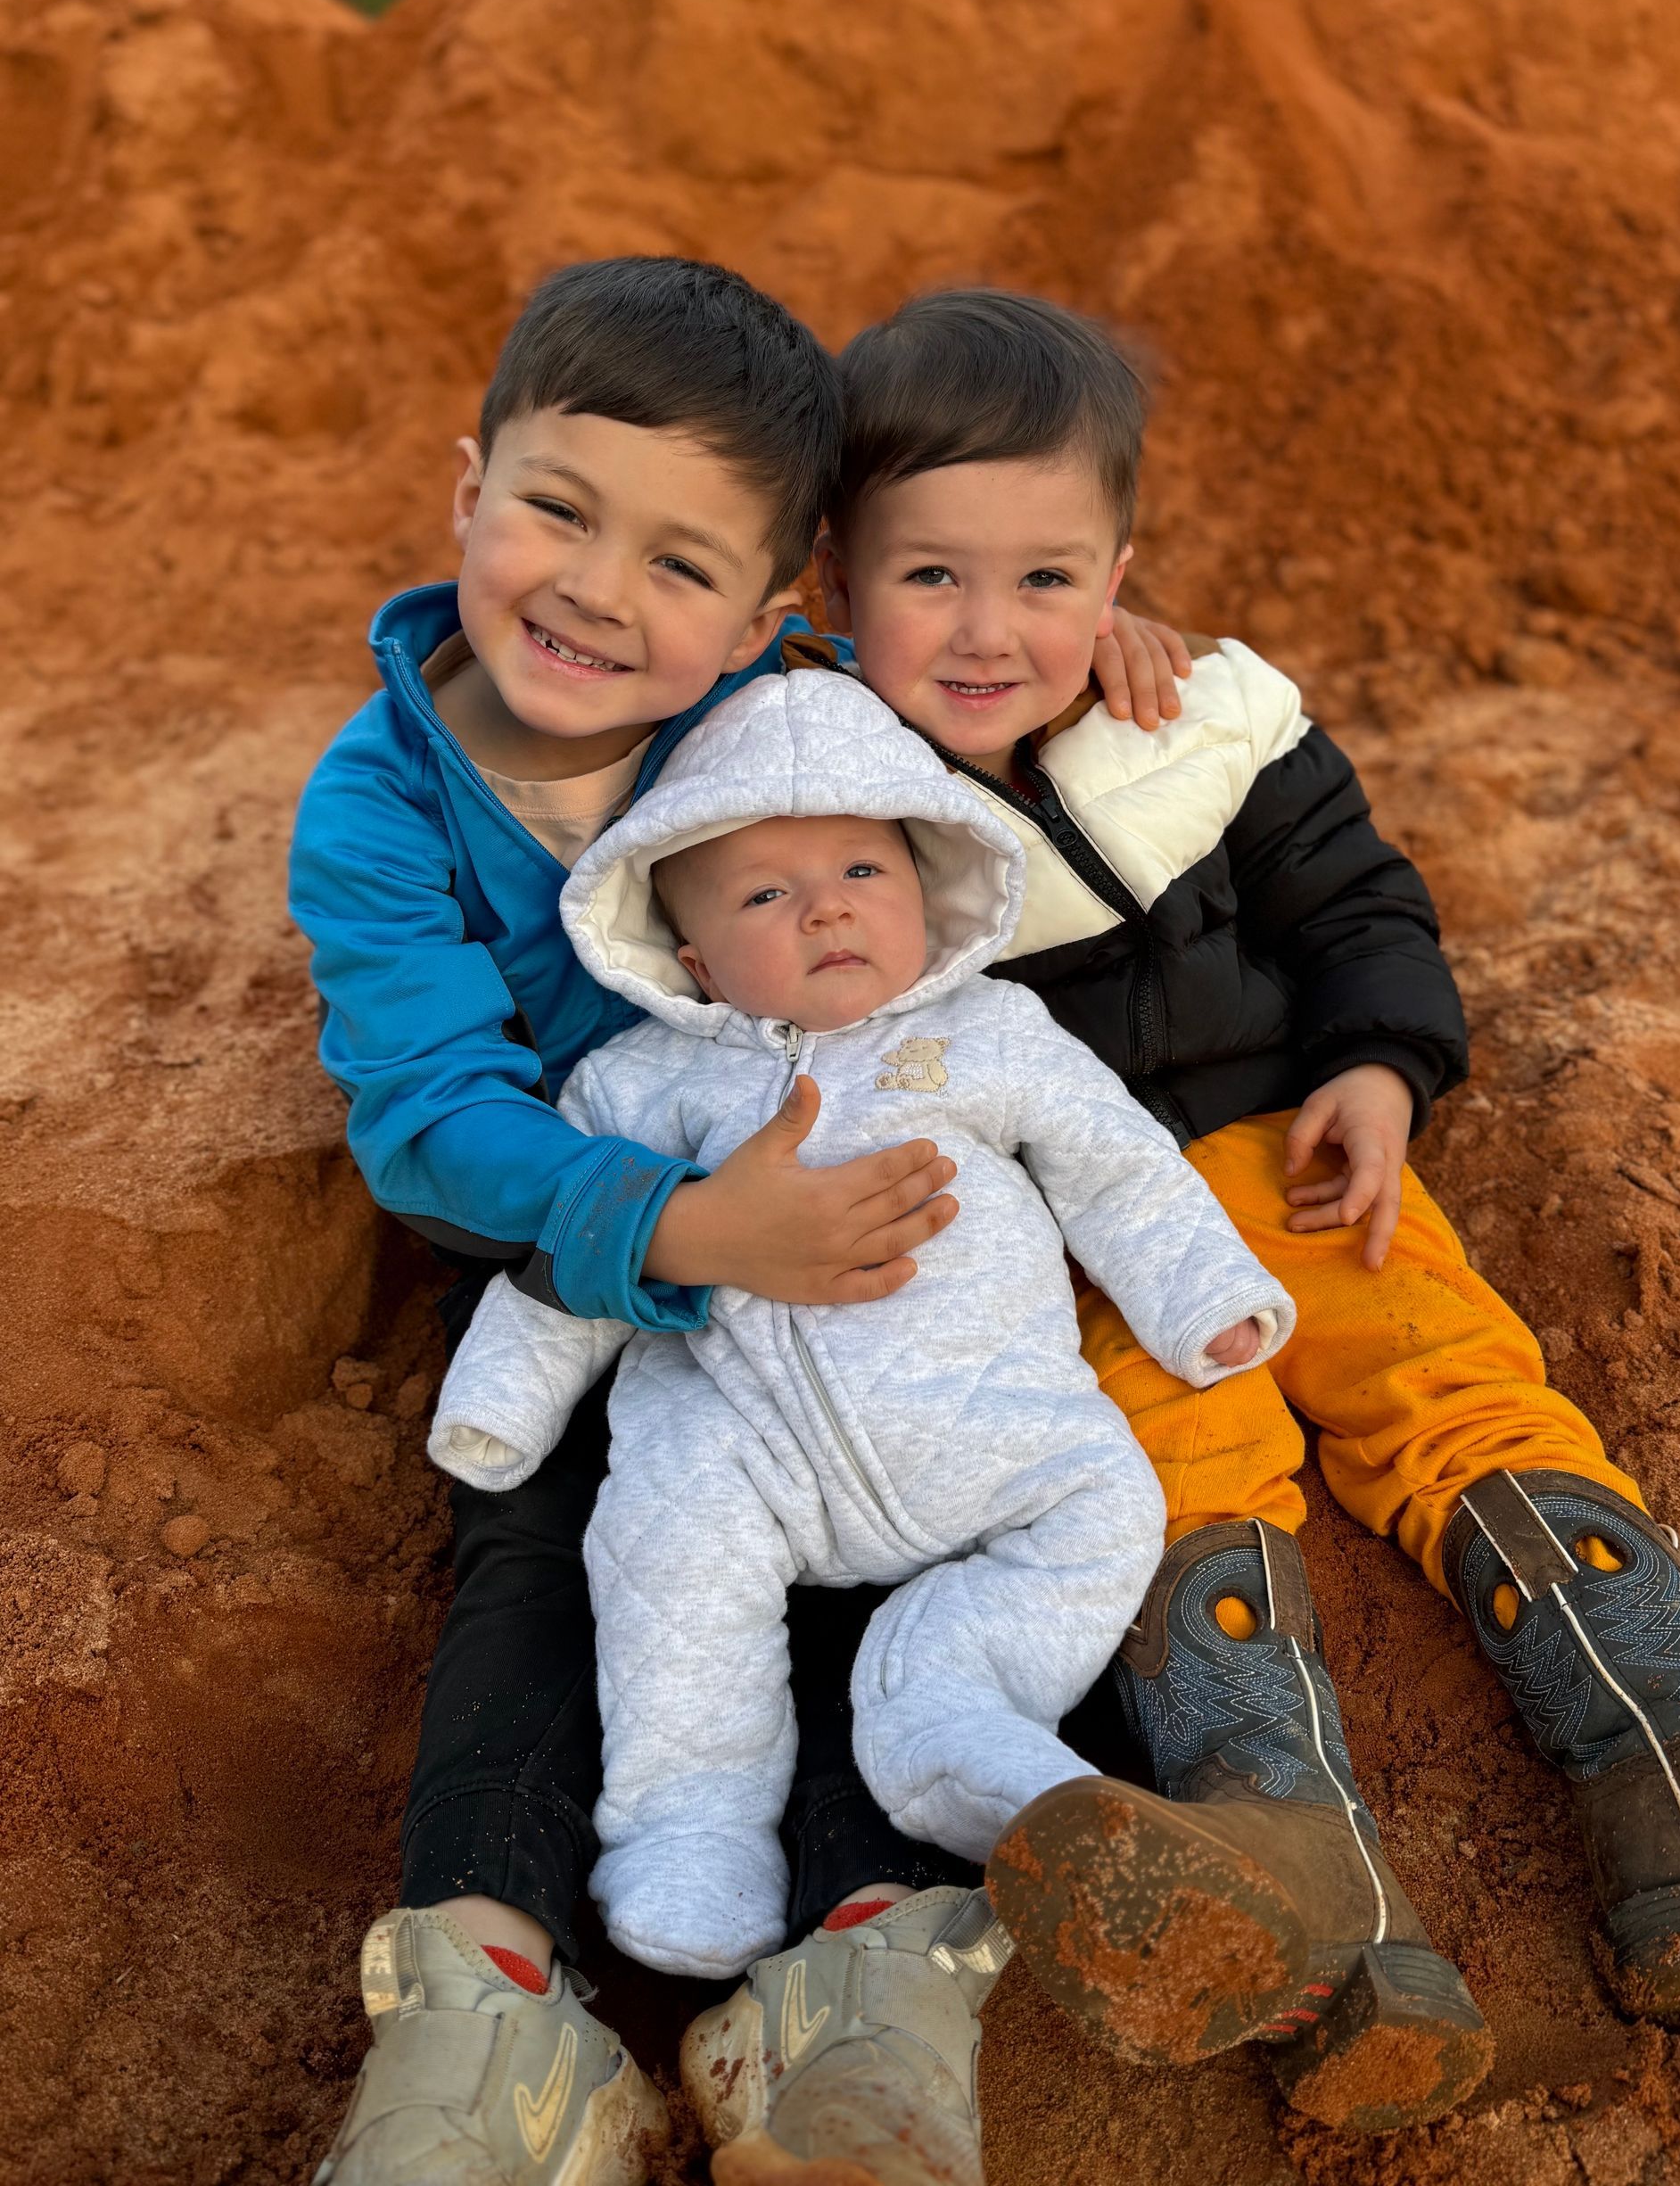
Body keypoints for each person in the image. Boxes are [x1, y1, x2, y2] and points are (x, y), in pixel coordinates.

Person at [289, 253, 1194, 2186]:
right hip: (591, 1276)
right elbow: (433, 1117)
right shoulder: (377, 805)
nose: (602, 592)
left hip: (862, 1286)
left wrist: (1101, 640)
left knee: (903, 1568)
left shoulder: (789, 711)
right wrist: (691, 1230)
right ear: (468, 490)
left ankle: (867, 1977)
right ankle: (489, 2001)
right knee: (541, 1559)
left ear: (769, 614)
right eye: (555, 510)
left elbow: (964, 654)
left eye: (683, 564)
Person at [809, 284, 1680, 2132]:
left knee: (1466, 1388)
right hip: (1074, 1233)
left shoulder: (1206, 720)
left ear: (1123, 567)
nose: (993, 632)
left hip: (1297, 1150)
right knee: (1172, 1479)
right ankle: (1328, 1922)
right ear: (832, 577)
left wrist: (1381, 1067)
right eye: (933, 580)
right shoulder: (828, 787)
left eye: (1048, 579)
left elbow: (1361, 902)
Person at [432, 663, 1290, 2000]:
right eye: (765, 894)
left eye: (861, 870)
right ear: (691, 953)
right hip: (745, 1447)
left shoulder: (994, 1033)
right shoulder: (641, 1080)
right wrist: (506, 1400)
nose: (825, 903)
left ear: (931, 885)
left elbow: (1114, 1164)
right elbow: (579, 1256)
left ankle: (972, 1741)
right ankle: (693, 1828)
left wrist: (1198, 1293)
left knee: (1104, 1501)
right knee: (662, 1557)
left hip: (992, 1429)